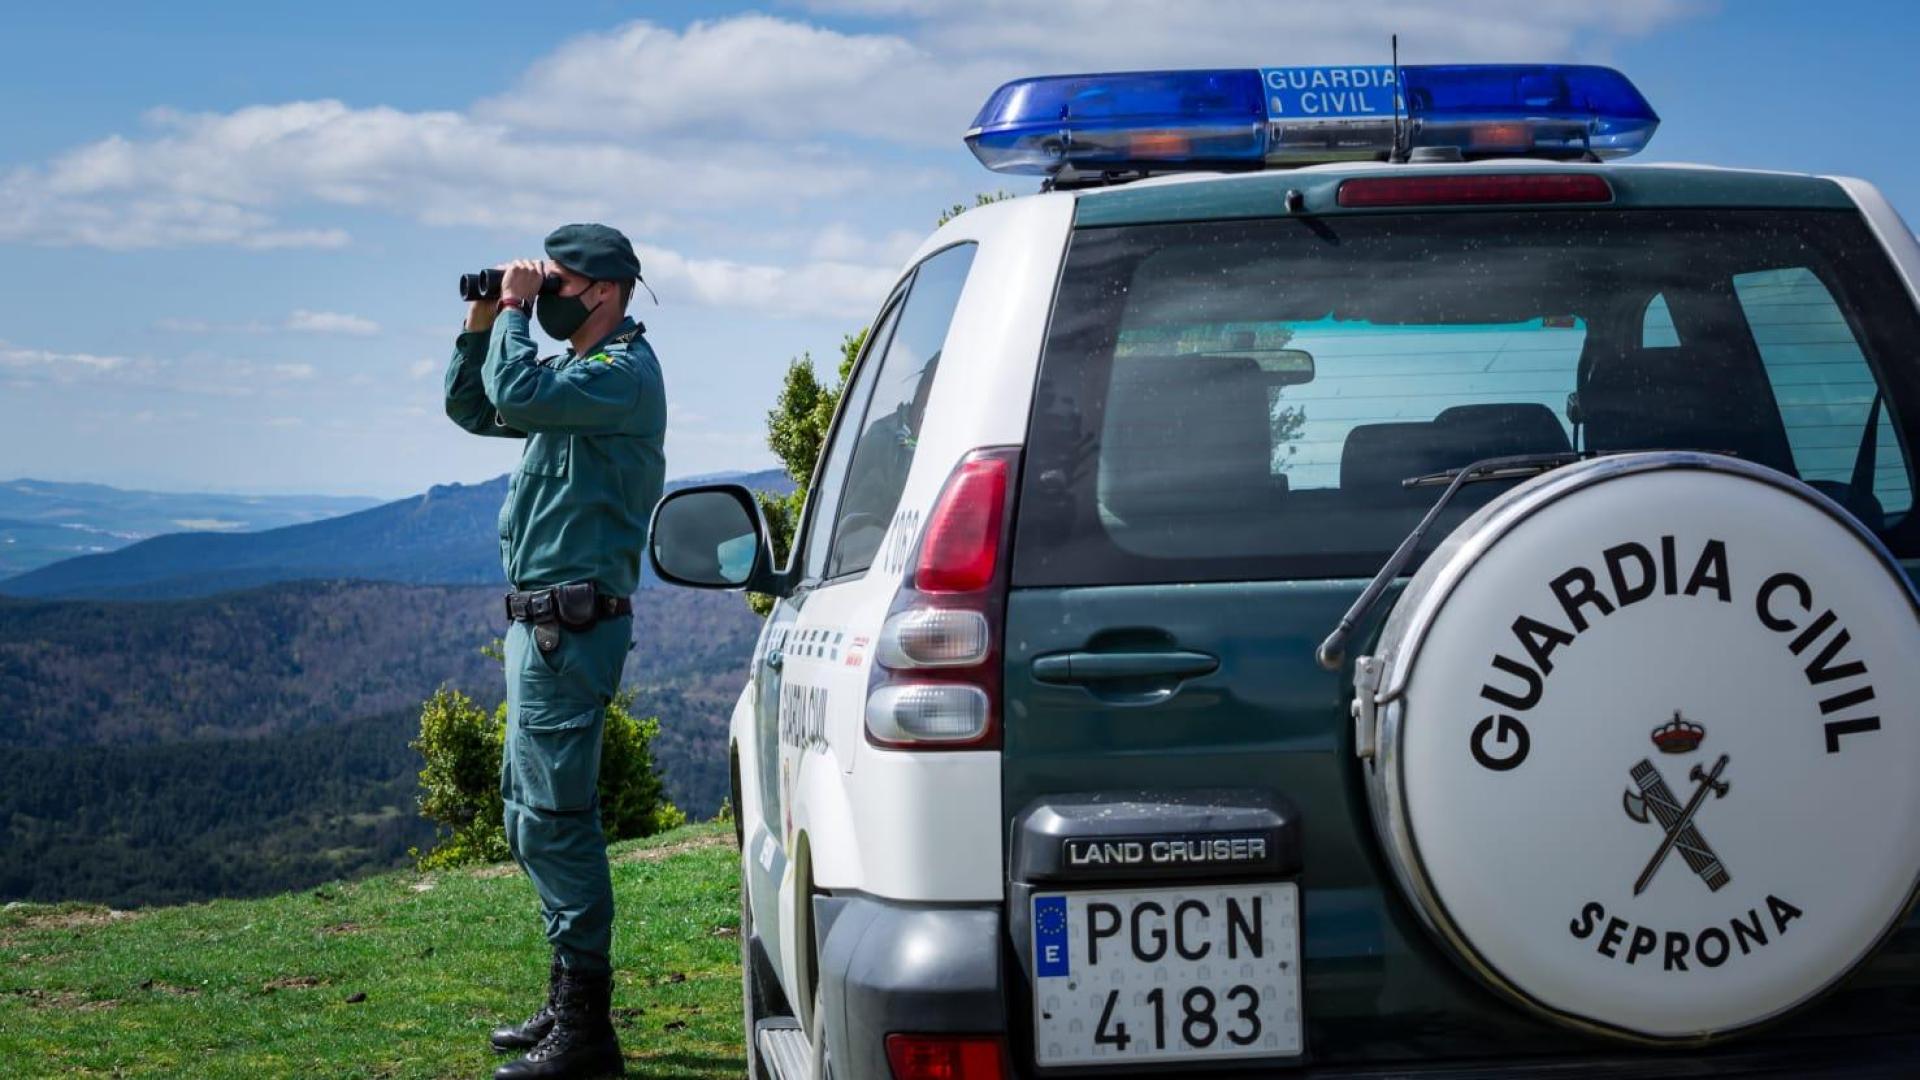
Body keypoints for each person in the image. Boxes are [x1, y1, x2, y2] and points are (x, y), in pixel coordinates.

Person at [444, 223, 666, 1080]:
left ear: (603, 291)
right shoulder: (576, 380)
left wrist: (513, 308)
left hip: (569, 632)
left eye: (560, 282)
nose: (547, 293)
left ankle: (587, 1033)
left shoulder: (622, 377)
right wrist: (480, 320)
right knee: (527, 812)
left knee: (558, 821)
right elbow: (477, 406)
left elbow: (519, 390)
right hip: (540, 629)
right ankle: (564, 998)